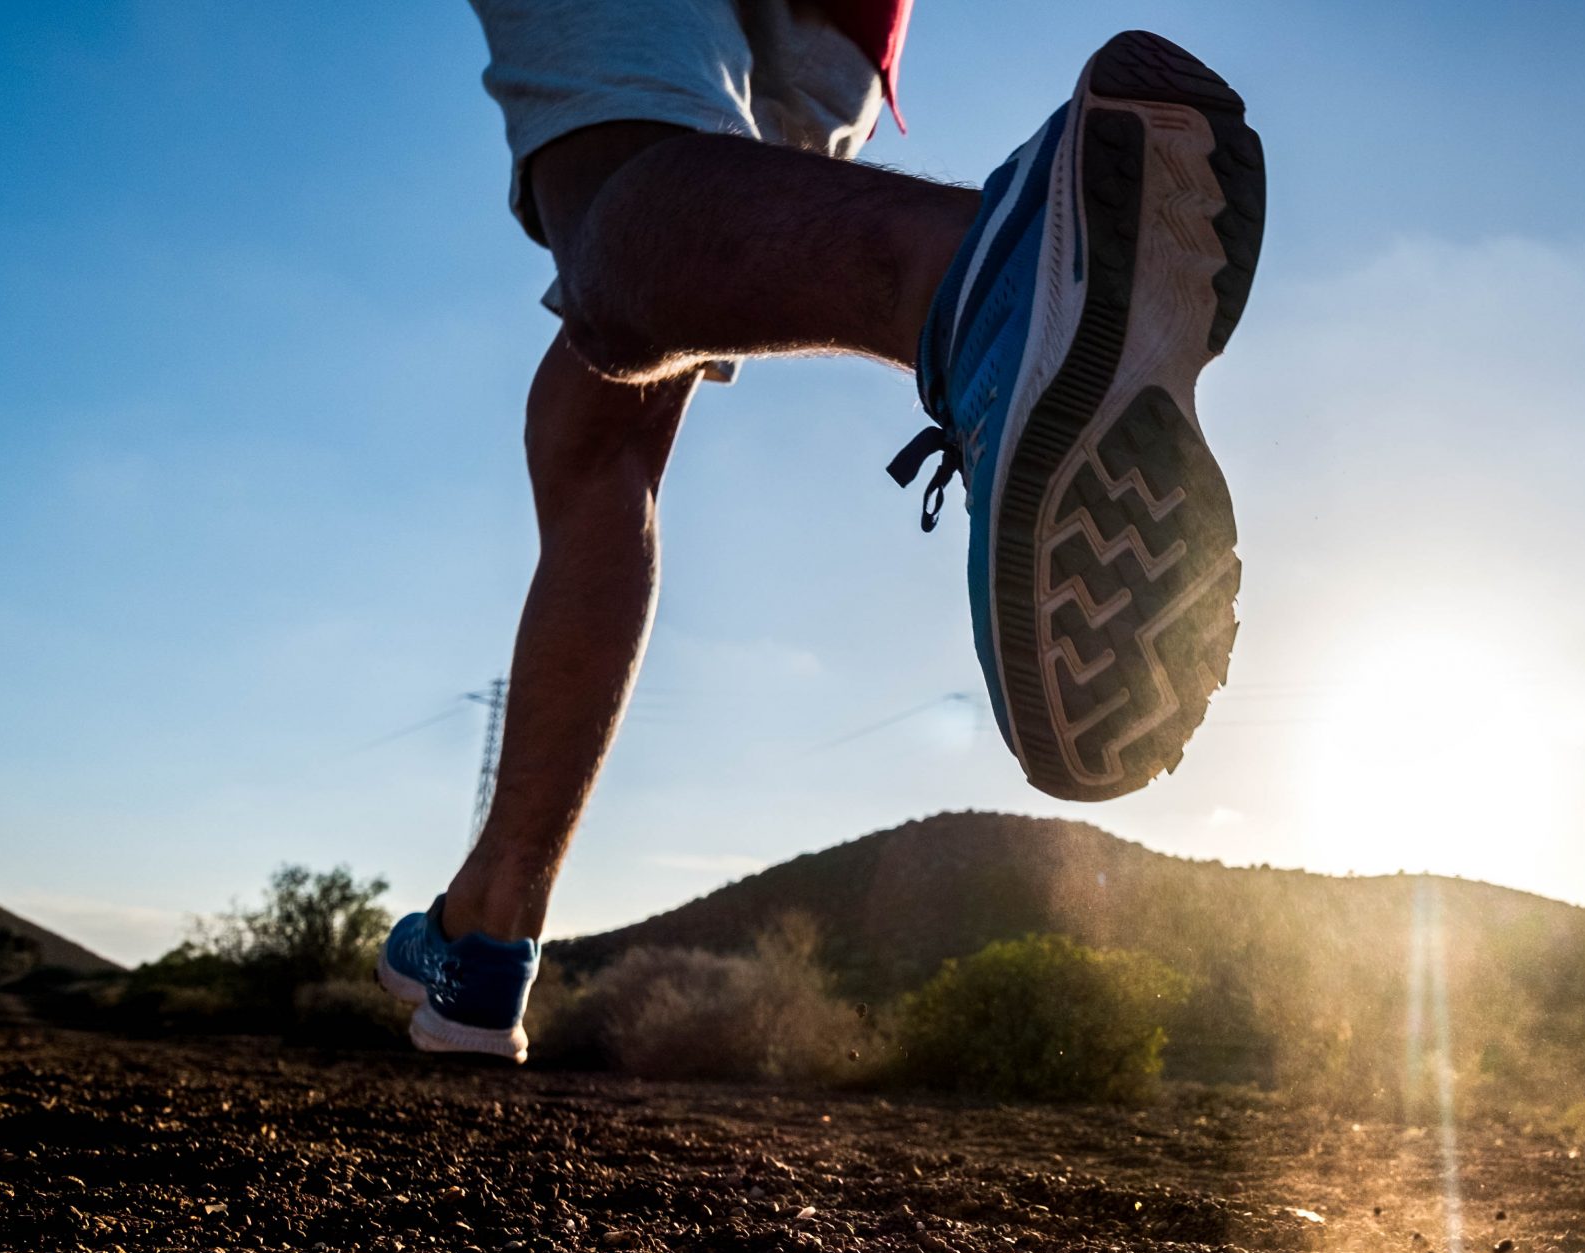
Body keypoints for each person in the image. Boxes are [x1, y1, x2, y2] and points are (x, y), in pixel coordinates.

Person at [375, 1, 1266, 1061]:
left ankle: (981, 278)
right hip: (845, 25)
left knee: (616, 228)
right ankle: (483, 936)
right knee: (600, 415)